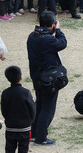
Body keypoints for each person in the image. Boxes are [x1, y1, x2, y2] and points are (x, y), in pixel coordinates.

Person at [27, 11, 67, 146]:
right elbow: (62, 43)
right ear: (51, 25)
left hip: (36, 76)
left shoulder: (32, 36)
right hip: (48, 78)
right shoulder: (48, 39)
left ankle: (34, 133)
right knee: (47, 108)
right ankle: (41, 137)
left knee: (39, 104)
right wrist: (59, 30)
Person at [1, 65, 36, 153]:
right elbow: (33, 109)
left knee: (9, 149)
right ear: (21, 77)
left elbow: (3, 110)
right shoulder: (26, 93)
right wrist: (30, 121)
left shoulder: (5, 93)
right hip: (24, 128)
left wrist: (8, 119)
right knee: (23, 149)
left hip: (10, 127)